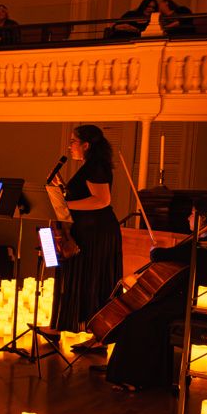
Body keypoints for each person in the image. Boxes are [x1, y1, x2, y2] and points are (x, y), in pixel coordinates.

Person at [102, 197, 207, 393]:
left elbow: (167, 255)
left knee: (140, 318)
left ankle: (135, 377)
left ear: (204, 218)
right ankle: (150, 375)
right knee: (146, 314)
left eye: (192, 213)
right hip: (189, 297)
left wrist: (155, 252)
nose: (188, 217)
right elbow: (178, 254)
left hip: (198, 302)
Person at [47, 123, 125, 339]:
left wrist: (64, 204)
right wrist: (63, 189)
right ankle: (90, 333)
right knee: (87, 280)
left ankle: (99, 336)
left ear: (86, 145)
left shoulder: (95, 166)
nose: (70, 146)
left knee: (94, 281)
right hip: (88, 231)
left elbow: (102, 200)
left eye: (73, 141)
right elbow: (83, 196)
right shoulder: (89, 166)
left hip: (96, 233)